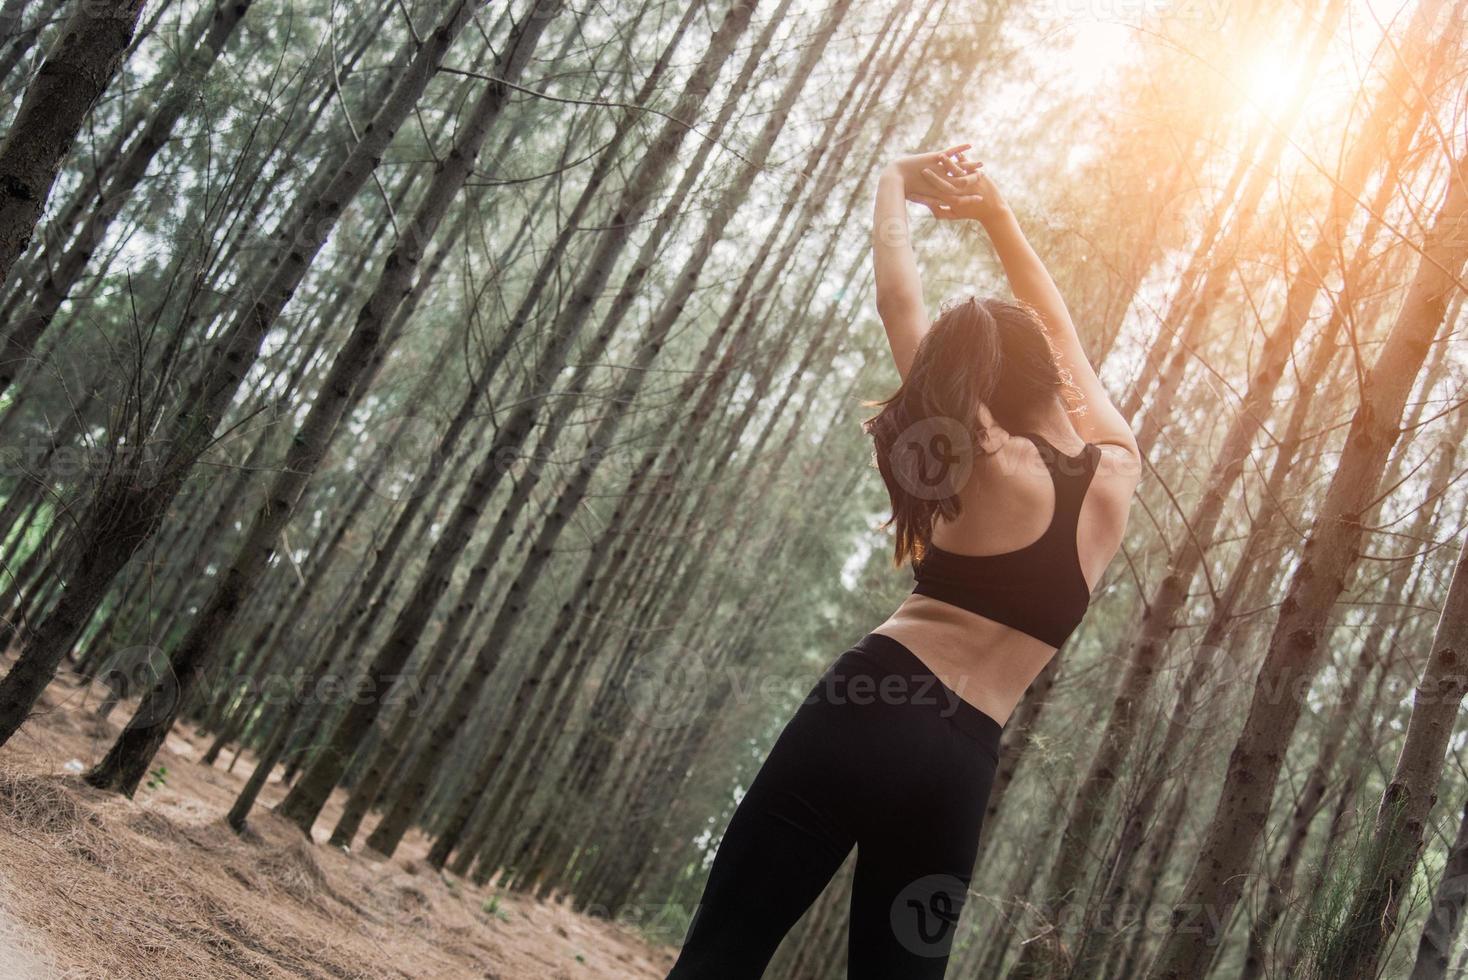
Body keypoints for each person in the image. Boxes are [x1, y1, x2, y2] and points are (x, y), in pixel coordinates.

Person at [666, 145, 1141, 979]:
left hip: (871, 705)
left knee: (725, 950)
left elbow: (898, 302)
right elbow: (1058, 325)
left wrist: (892, 179)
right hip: (961, 768)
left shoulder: (980, 451)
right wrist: (998, 216)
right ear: (1052, 371)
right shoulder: (1119, 468)